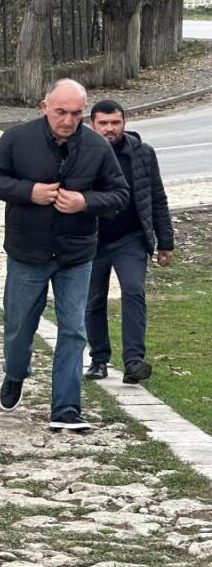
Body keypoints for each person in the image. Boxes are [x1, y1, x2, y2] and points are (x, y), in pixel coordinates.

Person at [0, 78, 129, 431]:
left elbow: (120, 194)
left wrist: (85, 202)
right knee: (18, 328)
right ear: (44, 107)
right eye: (61, 112)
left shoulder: (96, 147)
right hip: (27, 251)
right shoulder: (18, 138)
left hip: (76, 253)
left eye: (76, 113)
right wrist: (29, 192)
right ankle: (15, 371)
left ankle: (66, 408)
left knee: (73, 330)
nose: (68, 120)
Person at [85, 99, 175, 384]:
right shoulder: (81, 152)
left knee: (134, 292)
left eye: (115, 123)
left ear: (124, 122)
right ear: (92, 125)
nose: (110, 129)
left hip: (131, 238)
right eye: (104, 123)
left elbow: (157, 197)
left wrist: (166, 241)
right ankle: (99, 360)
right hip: (92, 240)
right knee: (93, 300)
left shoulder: (143, 154)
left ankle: (134, 361)